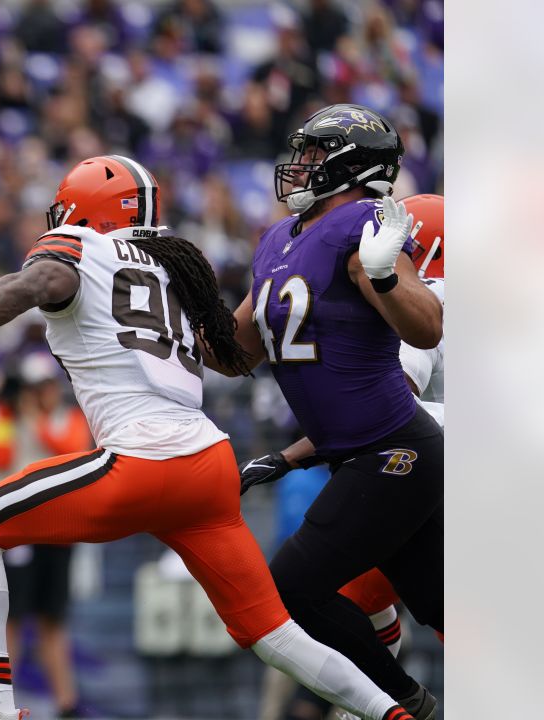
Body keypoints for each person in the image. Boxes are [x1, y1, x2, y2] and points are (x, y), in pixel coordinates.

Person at [0, 155, 418, 720]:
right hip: (208, 462)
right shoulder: (173, 266)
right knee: (273, 634)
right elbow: (226, 353)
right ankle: (396, 713)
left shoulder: (79, 247)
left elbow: (35, 282)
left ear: (83, 212)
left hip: (143, 460)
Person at [205, 105, 443, 719]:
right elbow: (232, 356)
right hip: (363, 457)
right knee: (450, 611)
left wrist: (387, 275)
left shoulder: (365, 225)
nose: (299, 165)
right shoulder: (279, 241)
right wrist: (167, 306)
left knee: (287, 588)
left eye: (314, 153)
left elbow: (426, 327)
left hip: (395, 450)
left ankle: (407, 706)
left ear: (351, 165)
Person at [0, 353, 90, 718]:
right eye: (33, 388)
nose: (40, 393)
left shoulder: (67, 419)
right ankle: (0, 705)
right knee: (11, 618)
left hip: (56, 533)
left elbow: (72, 450)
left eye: (44, 386)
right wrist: (13, 415)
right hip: (18, 533)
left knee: (52, 620)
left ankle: (66, 705)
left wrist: (35, 418)